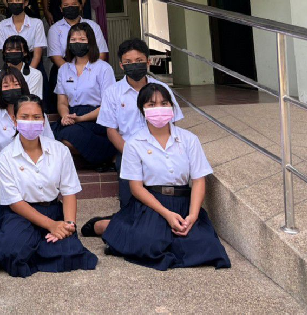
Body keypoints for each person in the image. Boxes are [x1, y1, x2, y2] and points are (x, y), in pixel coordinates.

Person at [85, 84, 231, 271]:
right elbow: (136, 188)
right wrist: (167, 214)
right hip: (152, 203)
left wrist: (193, 216)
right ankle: (107, 225)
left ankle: (125, 224)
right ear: (142, 109)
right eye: (151, 104)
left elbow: (198, 181)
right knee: (150, 244)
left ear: (172, 106)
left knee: (207, 247)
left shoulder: (189, 139)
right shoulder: (134, 143)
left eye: (164, 103)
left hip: (183, 203)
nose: (159, 108)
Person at [0, 95, 97, 276]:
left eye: (36, 117)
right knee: (15, 250)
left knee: (71, 252)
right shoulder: (5, 157)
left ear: (44, 120)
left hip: (52, 209)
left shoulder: (60, 151)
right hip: (20, 213)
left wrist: (68, 225)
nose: (31, 122)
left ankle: (5, 251)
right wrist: (51, 226)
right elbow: (15, 203)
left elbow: (69, 192)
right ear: (14, 120)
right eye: (24, 117)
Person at [96, 38, 185, 207]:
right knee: (130, 204)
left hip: (161, 149)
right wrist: (132, 155)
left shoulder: (162, 89)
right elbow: (111, 130)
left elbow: (172, 123)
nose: (134, 65)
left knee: (165, 200)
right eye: (128, 62)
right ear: (121, 65)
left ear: (148, 62)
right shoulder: (112, 92)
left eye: (139, 61)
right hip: (128, 151)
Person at [0, 67, 53, 232]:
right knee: (0, 213)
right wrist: (7, 179)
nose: (11, 89)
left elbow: (50, 147)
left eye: (16, 84)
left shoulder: (38, 114)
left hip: (33, 168)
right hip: (1, 173)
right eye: (6, 86)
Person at [54, 22, 117, 168]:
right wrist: (65, 116)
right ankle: (101, 158)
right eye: (73, 40)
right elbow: (62, 101)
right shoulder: (64, 69)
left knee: (69, 135)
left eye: (82, 39)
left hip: (96, 117)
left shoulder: (103, 68)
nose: (77, 43)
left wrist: (81, 118)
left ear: (91, 42)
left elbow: (108, 105)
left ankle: (105, 154)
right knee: (54, 134)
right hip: (72, 115)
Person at [46, 0, 108, 113]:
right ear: (60, 9)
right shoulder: (55, 28)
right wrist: (70, 72)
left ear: (80, 6)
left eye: (74, 4)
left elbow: (101, 52)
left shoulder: (93, 26)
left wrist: (90, 70)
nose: (70, 7)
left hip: (92, 67)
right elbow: (55, 56)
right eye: (66, 5)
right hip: (64, 67)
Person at [0, 0, 47, 71]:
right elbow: (4, 53)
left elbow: (37, 55)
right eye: (10, 1)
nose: (14, 3)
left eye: (17, 0)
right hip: (10, 66)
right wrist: (14, 73)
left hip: (33, 64)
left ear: (25, 3)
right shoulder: (1, 25)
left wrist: (29, 73)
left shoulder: (37, 23)